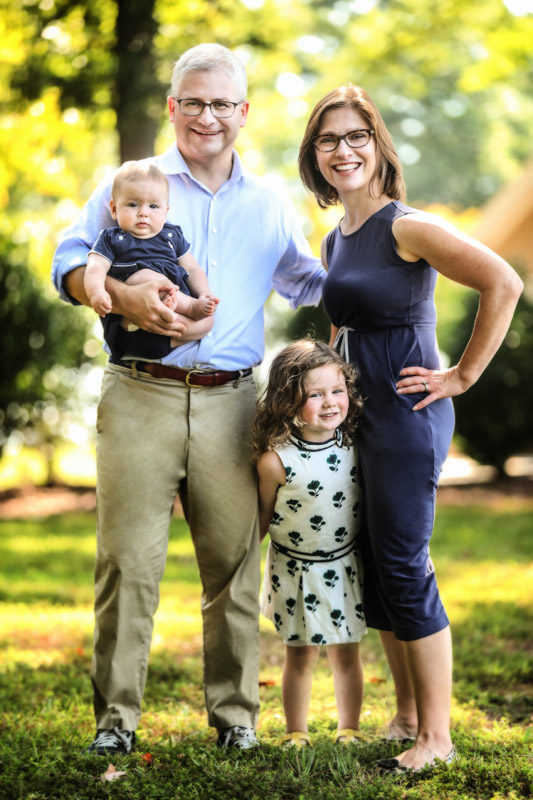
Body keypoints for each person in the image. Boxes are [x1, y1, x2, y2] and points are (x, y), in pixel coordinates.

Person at [51, 43, 325, 755]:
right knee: (127, 562)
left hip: (234, 403)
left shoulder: (267, 205)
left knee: (234, 564)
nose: (208, 116)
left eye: (222, 104)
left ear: (243, 113)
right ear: (173, 108)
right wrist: (119, 295)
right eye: (194, 102)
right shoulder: (134, 183)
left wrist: (395, 261)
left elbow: (313, 282)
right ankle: (115, 723)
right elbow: (69, 259)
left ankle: (236, 720)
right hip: (138, 394)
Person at [298, 85, 523, 772]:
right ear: (314, 155)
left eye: (355, 136)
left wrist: (460, 375)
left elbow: (502, 281)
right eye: (328, 140)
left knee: (402, 563)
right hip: (360, 415)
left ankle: (437, 737)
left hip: (407, 414)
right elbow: (343, 323)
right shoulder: (336, 235)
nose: (343, 150)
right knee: (374, 566)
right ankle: (402, 718)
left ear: (377, 145)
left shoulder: (406, 226)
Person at [252, 340, 367, 747]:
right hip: (294, 568)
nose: (330, 402)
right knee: (299, 655)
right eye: (315, 395)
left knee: (346, 653)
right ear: (287, 402)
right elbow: (262, 519)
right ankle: (295, 731)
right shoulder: (276, 461)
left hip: (343, 564)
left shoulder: (355, 446)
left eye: (338, 391)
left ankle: (349, 728)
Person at [85, 160, 218, 363]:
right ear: (114, 209)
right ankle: (186, 308)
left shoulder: (172, 236)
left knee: (208, 322)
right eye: (132, 204)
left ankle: (174, 326)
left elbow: (192, 268)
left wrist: (204, 292)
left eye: (153, 206)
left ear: (166, 212)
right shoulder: (112, 238)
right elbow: (95, 268)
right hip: (133, 318)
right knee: (148, 277)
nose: (143, 212)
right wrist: (97, 293)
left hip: (161, 334)